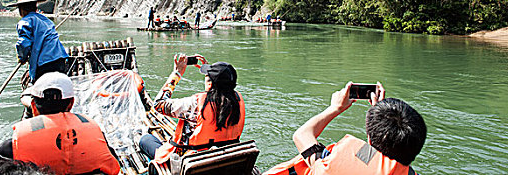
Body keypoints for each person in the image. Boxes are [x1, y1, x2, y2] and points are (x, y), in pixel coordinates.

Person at [264, 82, 427, 175]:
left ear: (369, 138)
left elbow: (302, 135)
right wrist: (380, 114)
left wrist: (335, 108)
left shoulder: (330, 164)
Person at [0, 72, 121, 175]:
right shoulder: (94, 131)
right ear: (71, 103)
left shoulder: (11, 146)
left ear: (33, 106)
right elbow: (114, 165)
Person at [139, 55, 245, 166]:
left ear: (210, 83)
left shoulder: (195, 103)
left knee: (145, 140)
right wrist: (210, 72)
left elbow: (158, 104)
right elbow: (216, 94)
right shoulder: (238, 99)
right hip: (226, 158)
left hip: (193, 161)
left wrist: (177, 73)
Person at [6, 0, 68, 84]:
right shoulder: (46, 20)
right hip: (60, 59)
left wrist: (22, 58)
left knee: (40, 89)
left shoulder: (24, 22)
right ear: (35, 8)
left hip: (45, 63)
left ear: (21, 10)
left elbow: (23, 43)